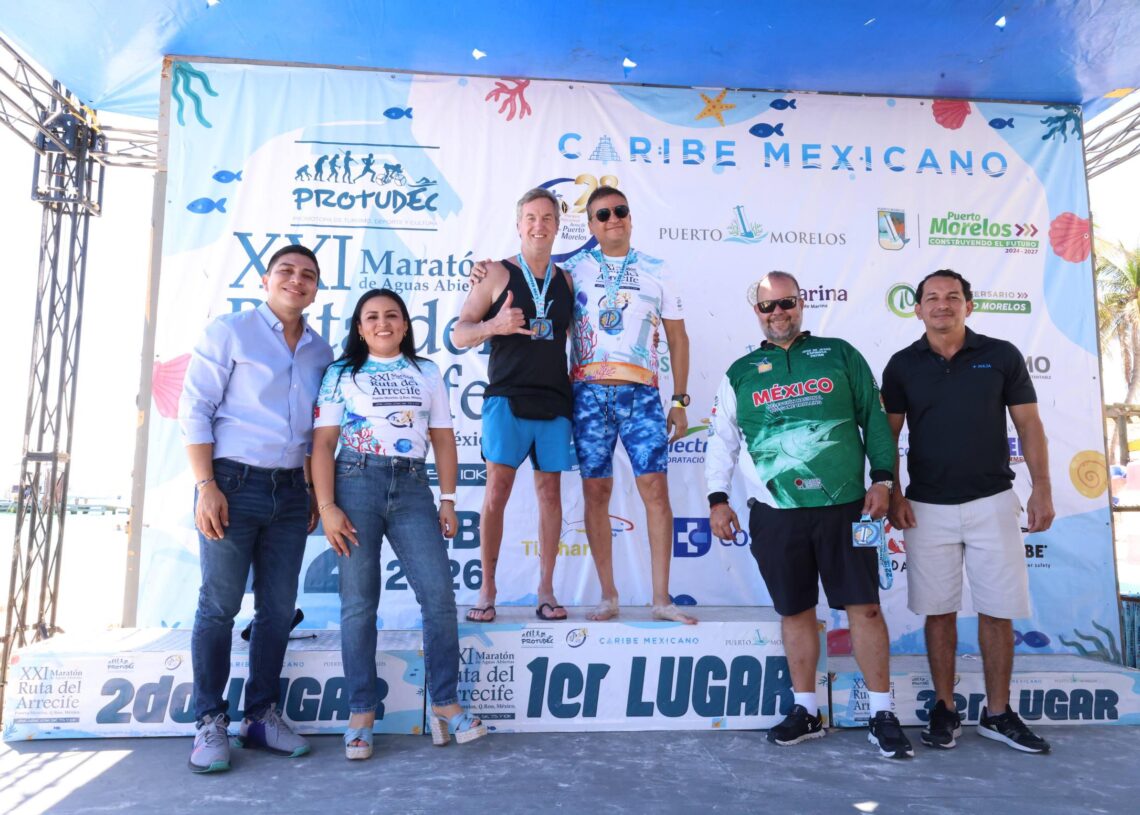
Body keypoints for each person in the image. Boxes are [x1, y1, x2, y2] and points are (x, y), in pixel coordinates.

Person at [705, 270, 913, 758]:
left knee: (865, 608)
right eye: (768, 306)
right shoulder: (740, 372)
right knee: (795, 611)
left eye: (787, 303)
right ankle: (806, 711)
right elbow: (722, 441)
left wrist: (883, 480)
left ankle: (882, 713)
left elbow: (875, 420)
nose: (778, 313)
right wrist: (718, 498)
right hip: (776, 513)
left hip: (847, 507)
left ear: (801, 304)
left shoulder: (840, 354)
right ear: (757, 312)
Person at [882, 269, 1054, 754]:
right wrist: (894, 493)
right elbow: (887, 436)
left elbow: (1030, 424)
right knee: (938, 614)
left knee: (998, 613)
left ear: (969, 305)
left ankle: (997, 713)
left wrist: (1042, 488)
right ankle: (944, 708)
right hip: (926, 507)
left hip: (993, 502)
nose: (943, 304)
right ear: (917, 308)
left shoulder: (1001, 355)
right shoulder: (901, 365)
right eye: (932, 297)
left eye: (953, 296)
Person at [312, 288, 486, 760]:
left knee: (439, 597)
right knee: (359, 604)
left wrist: (448, 499)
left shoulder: (426, 371)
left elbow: (443, 439)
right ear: (359, 327)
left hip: (412, 487)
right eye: (371, 317)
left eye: (391, 315)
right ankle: (361, 714)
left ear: (406, 324)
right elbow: (323, 444)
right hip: (355, 483)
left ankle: (445, 704)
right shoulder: (341, 373)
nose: (382, 323)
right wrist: (327, 507)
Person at [179, 244, 333, 773]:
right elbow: (195, 407)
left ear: (316, 288)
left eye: (308, 274)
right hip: (231, 483)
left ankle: (261, 715)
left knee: (277, 609)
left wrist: (311, 491)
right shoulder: (231, 331)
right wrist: (206, 485)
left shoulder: (320, 351)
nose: (297, 280)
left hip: (290, 492)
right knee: (219, 606)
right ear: (266, 280)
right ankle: (210, 720)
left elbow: (316, 431)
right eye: (286, 271)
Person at [562, 186, 696, 623]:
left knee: (655, 489)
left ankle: (661, 599)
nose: (613, 219)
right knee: (595, 491)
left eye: (619, 210)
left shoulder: (658, 270)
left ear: (631, 216)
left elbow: (678, 338)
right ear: (591, 225)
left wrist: (679, 399)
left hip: (642, 393)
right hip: (588, 394)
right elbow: (528, 279)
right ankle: (608, 596)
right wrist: (485, 270)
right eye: (602, 214)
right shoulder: (572, 270)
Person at [452, 187, 576, 622]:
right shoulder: (495, 273)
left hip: (554, 400)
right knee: (496, 492)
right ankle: (487, 589)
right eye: (531, 218)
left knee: (550, 494)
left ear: (558, 226)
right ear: (519, 225)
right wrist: (494, 325)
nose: (539, 225)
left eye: (547, 218)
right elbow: (458, 334)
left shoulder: (567, 280)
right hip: (506, 397)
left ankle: (546, 589)